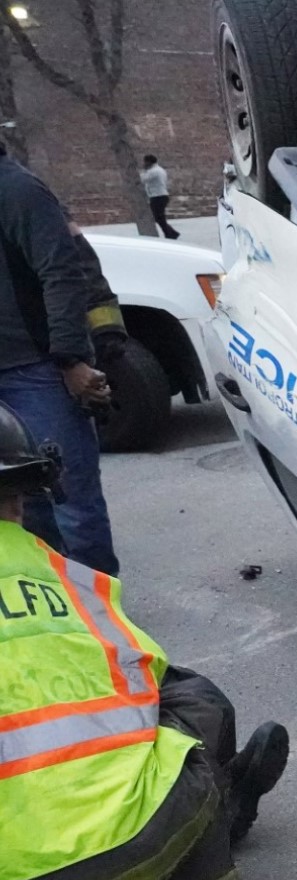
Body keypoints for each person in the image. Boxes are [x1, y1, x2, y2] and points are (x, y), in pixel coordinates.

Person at [0, 401, 290, 880]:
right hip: (124, 843)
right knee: (186, 718)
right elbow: (146, 680)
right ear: (18, 495)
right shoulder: (60, 574)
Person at [0, 145, 119, 576]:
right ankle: (60, 612)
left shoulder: (16, 190)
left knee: (72, 502)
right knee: (22, 508)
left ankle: (102, 623)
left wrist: (71, 359)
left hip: (37, 373)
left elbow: (64, 273)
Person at [139, 155, 179, 241]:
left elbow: (142, 179)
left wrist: (142, 171)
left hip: (157, 196)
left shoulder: (153, 171)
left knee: (158, 217)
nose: (144, 164)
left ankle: (171, 234)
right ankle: (171, 233)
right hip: (160, 196)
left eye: (145, 162)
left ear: (149, 162)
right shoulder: (159, 170)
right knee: (159, 217)